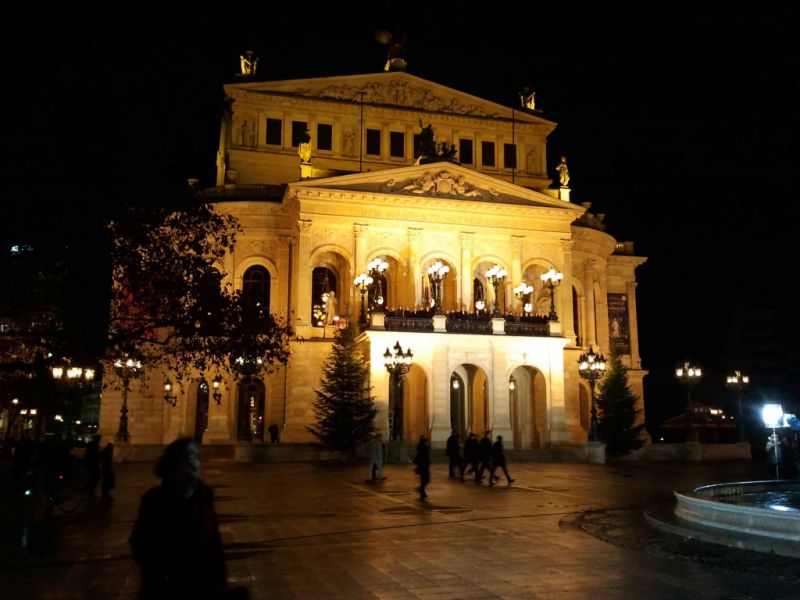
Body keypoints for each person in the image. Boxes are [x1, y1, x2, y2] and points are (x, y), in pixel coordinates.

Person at [129, 438, 229, 599]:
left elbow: (214, 545)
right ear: (173, 465)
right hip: (165, 586)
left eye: (196, 458)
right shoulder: (155, 499)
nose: (195, 464)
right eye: (188, 460)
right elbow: (139, 545)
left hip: (201, 585)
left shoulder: (203, 496)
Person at [413, 435, 431, 501]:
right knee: (425, 480)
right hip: (423, 467)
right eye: (427, 442)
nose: (428, 443)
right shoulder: (423, 449)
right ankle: (421, 491)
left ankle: (422, 492)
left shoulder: (424, 449)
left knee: (424, 480)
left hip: (424, 467)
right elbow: (422, 458)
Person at [85, 434, 102, 498]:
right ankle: (91, 493)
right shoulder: (94, 445)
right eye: (98, 439)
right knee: (93, 480)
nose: (99, 440)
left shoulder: (92, 445)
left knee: (93, 480)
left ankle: (91, 493)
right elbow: (94, 455)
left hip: (92, 464)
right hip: (93, 465)